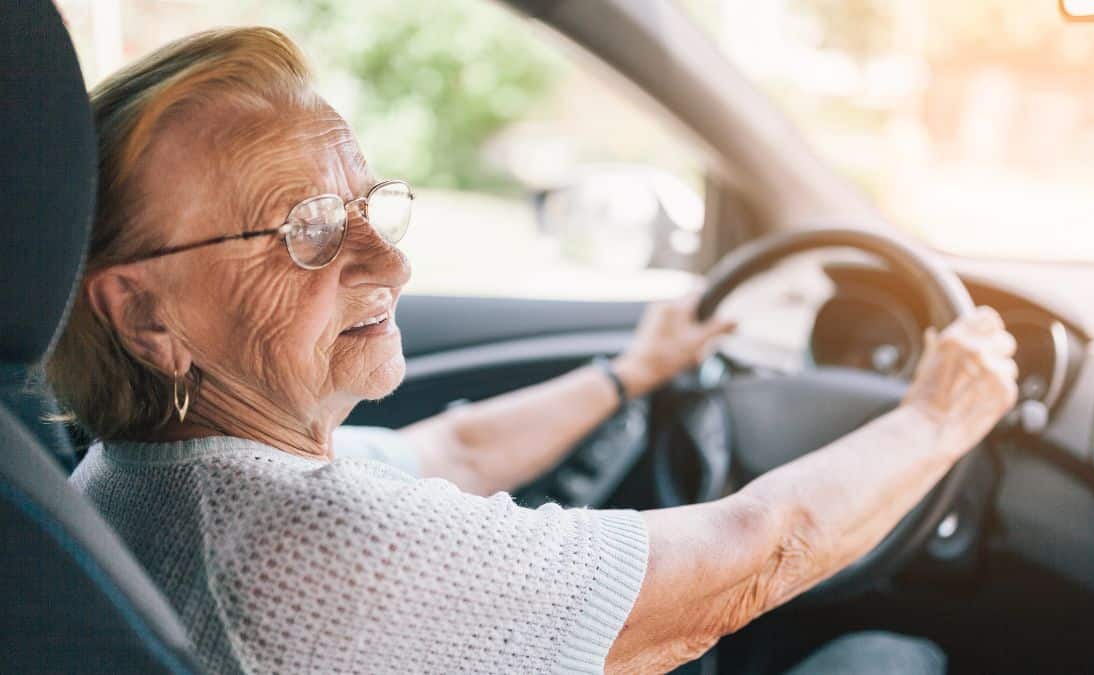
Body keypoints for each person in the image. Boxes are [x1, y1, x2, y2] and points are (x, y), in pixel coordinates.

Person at [47, 27, 1018, 674]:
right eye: (304, 228)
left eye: (369, 205)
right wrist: (939, 418)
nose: (390, 258)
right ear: (144, 317)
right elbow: (739, 565)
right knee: (891, 658)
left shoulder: (136, 479)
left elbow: (453, 451)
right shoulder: (300, 546)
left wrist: (629, 374)